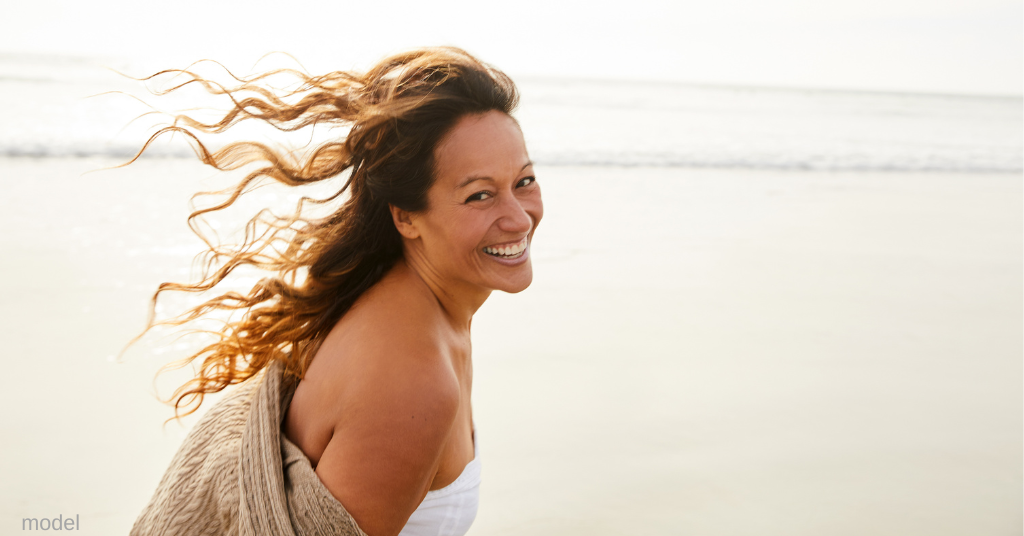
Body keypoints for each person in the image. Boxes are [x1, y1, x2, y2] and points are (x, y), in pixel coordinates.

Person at [129, 47, 543, 536]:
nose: (518, 216)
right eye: (479, 194)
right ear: (405, 216)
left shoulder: (410, 310)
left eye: (524, 181)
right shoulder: (412, 378)